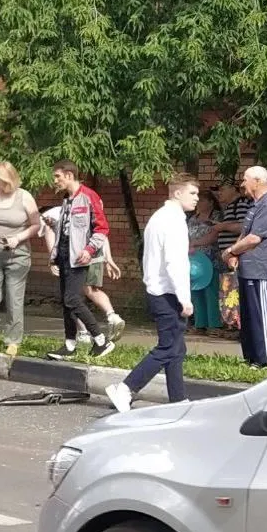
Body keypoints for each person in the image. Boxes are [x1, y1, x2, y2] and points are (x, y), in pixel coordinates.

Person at [105, 174, 199, 412]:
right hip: (167, 292)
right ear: (177, 193)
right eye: (192, 193)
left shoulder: (161, 217)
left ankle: (178, 400)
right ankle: (125, 388)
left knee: (177, 348)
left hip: (160, 290)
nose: (197, 198)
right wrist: (184, 298)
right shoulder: (173, 221)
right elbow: (174, 263)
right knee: (168, 347)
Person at [46, 160, 115, 359]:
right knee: (66, 302)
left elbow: (102, 228)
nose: (55, 181)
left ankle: (101, 340)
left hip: (80, 257)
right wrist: (54, 257)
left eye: (57, 176)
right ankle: (69, 345)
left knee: (72, 299)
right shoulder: (67, 199)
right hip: (64, 256)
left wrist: (89, 249)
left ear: (69, 175)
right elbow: (63, 230)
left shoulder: (89, 196)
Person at [223, 166, 267, 369]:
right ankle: (251, 357)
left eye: (245, 180)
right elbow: (245, 234)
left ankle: (266, 359)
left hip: (262, 269)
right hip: (248, 268)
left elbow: (254, 238)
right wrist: (234, 254)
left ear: (258, 181)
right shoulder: (254, 206)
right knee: (249, 316)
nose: (242, 184)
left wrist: (231, 250)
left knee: (262, 315)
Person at [0, 161, 40, 356]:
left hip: (17, 255)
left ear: (8, 178)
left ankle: (13, 339)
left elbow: (36, 224)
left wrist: (18, 238)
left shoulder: (24, 197)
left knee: (14, 298)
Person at [188, 189, 224, 332]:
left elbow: (214, 236)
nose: (198, 203)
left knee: (211, 292)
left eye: (202, 200)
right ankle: (199, 324)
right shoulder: (192, 218)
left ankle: (214, 325)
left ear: (210, 202)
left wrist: (194, 243)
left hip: (211, 259)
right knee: (196, 291)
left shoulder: (216, 216)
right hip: (194, 260)